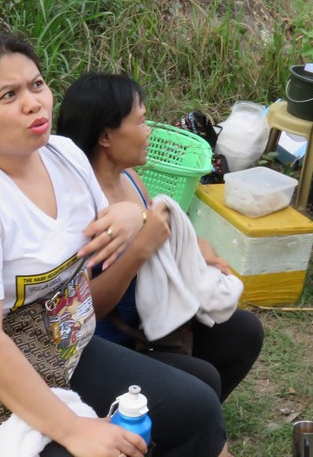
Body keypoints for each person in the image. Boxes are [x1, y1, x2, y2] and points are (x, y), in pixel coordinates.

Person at [0, 33, 227, 457]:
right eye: (9, 95)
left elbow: (114, 225)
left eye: (37, 85)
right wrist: (74, 429)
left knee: (197, 408)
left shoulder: (65, 156)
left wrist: (133, 215)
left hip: (64, 351)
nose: (33, 103)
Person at [56, 72, 263, 413]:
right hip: (103, 347)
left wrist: (197, 249)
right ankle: (173, 421)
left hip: (152, 326)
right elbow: (84, 308)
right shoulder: (79, 204)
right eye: (140, 122)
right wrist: (140, 249)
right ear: (106, 136)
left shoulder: (129, 176)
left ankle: (188, 426)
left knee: (243, 331)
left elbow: (161, 233)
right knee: (201, 379)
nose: (148, 131)